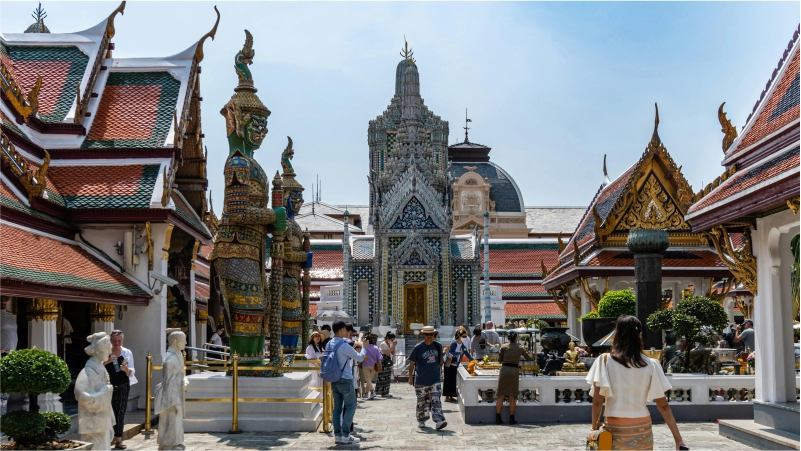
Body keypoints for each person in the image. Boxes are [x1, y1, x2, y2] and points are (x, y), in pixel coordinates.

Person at [587, 316, 687, 450]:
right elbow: (663, 406)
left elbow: (597, 402)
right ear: (640, 335)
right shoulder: (651, 364)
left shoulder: (604, 361)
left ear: (616, 335)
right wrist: (678, 439)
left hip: (613, 430)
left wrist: (594, 429)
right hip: (642, 430)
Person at [326, 320, 366, 445]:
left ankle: (338, 435)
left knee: (337, 407)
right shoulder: (343, 346)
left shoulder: (329, 344)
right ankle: (345, 434)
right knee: (350, 406)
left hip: (334, 378)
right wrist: (363, 347)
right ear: (342, 330)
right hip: (345, 379)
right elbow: (359, 357)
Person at [75, 332, 115, 451]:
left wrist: (110, 421)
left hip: (102, 421)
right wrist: (103, 393)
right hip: (92, 423)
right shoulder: (88, 372)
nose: (110, 352)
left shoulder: (101, 369)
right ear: (98, 350)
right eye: (108, 349)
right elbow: (80, 394)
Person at [408, 325, 447, 430]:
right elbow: (412, 363)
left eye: (431, 334)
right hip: (421, 379)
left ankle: (439, 420)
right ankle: (421, 420)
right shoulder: (418, 347)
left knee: (436, 399)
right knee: (422, 402)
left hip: (435, 378)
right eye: (427, 334)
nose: (429, 336)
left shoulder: (438, 346)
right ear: (423, 335)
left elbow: (440, 361)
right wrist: (410, 377)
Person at [156, 329, 189, 450]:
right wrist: (174, 402)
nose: (185, 343)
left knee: (176, 421)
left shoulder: (178, 354)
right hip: (171, 396)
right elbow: (167, 383)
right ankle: (168, 444)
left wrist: (185, 381)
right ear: (175, 342)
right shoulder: (170, 359)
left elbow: (181, 374)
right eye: (183, 340)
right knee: (171, 420)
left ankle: (175, 442)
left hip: (177, 392)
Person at [105, 330, 137, 449]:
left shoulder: (127, 352)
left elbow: (132, 371)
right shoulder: (105, 351)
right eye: (114, 341)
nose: (116, 343)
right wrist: (108, 360)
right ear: (111, 341)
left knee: (120, 412)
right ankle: (106, 438)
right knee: (108, 411)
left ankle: (118, 440)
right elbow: (98, 364)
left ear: (122, 341)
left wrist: (126, 369)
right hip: (107, 385)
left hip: (123, 384)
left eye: (119, 341)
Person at [495, 330, 534, 424]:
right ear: (516, 338)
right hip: (514, 371)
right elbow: (529, 358)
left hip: (504, 370)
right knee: (512, 396)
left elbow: (499, 360)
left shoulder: (503, 347)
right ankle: (512, 418)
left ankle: (498, 417)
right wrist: (530, 354)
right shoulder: (520, 348)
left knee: (501, 395)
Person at [443, 329, 473, 402]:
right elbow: (450, 352)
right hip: (449, 364)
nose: (465, 338)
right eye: (463, 336)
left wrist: (472, 359)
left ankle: (452, 396)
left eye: (466, 337)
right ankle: (447, 397)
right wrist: (459, 353)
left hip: (455, 364)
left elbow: (466, 352)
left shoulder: (462, 345)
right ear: (459, 336)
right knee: (448, 380)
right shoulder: (454, 343)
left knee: (453, 381)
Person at [377, 332, 397, 396]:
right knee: (383, 376)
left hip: (388, 361)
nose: (392, 341)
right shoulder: (383, 344)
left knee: (387, 376)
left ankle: (386, 391)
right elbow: (387, 353)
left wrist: (394, 346)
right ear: (387, 338)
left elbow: (393, 353)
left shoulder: (390, 344)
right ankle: (382, 392)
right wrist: (393, 346)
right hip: (383, 361)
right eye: (391, 340)